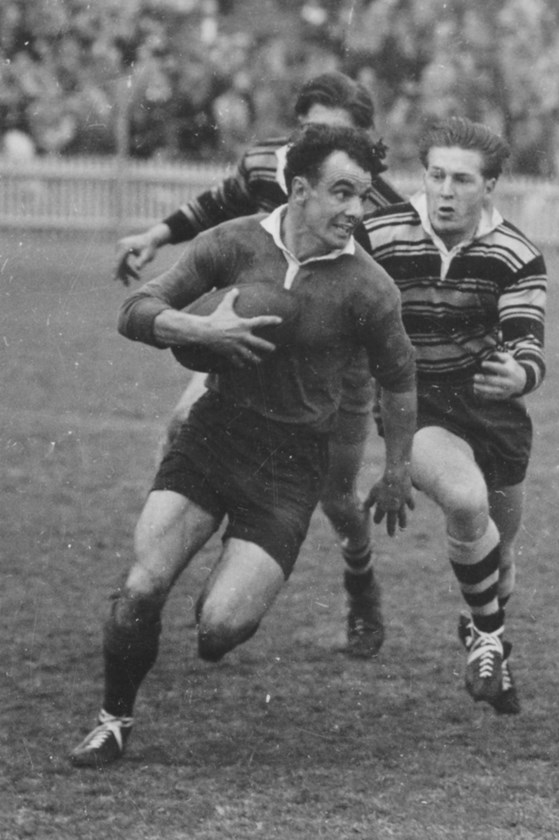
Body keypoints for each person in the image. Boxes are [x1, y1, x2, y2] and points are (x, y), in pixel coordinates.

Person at [69, 123, 417, 768]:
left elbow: (399, 379)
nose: (356, 211)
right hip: (215, 434)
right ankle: (113, 720)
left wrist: (396, 470)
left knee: (220, 629)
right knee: (143, 587)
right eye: (343, 193)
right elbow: (136, 308)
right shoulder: (232, 243)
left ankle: (222, 602)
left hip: (291, 465)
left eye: (364, 197)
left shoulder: (369, 286)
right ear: (303, 188)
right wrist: (199, 327)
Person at [116, 72, 405, 659]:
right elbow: (216, 204)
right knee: (182, 425)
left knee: (337, 495)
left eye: (338, 133)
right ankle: (162, 558)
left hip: (331, 372)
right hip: (245, 337)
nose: (322, 142)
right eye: (311, 129)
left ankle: (360, 581)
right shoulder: (267, 165)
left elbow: (395, 312)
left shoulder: (377, 208)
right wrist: (157, 234)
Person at [356, 116, 547, 714]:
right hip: (417, 404)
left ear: (489, 186)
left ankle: (481, 630)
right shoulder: (378, 235)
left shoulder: (516, 252)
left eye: (462, 180)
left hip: (494, 411)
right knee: (466, 502)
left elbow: (528, 341)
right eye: (436, 175)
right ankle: (490, 640)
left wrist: (520, 372)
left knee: (500, 558)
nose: (445, 191)